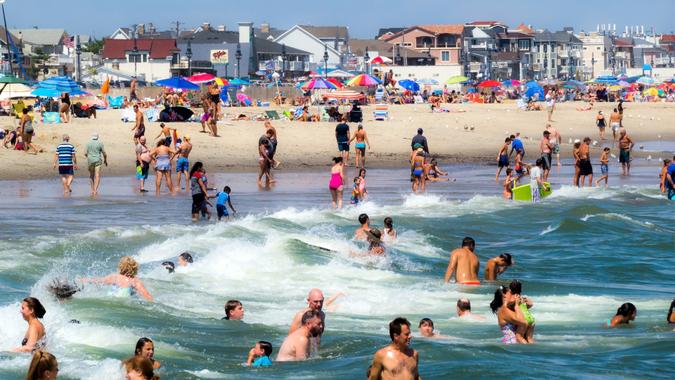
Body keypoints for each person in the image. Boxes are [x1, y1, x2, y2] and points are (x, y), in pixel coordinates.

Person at [80, 256, 153, 301]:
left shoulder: (114, 277)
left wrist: (84, 280)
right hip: (126, 301)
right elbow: (148, 297)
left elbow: (98, 280)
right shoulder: (134, 281)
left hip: (111, 299)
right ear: (135, 268)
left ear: (121, 267)